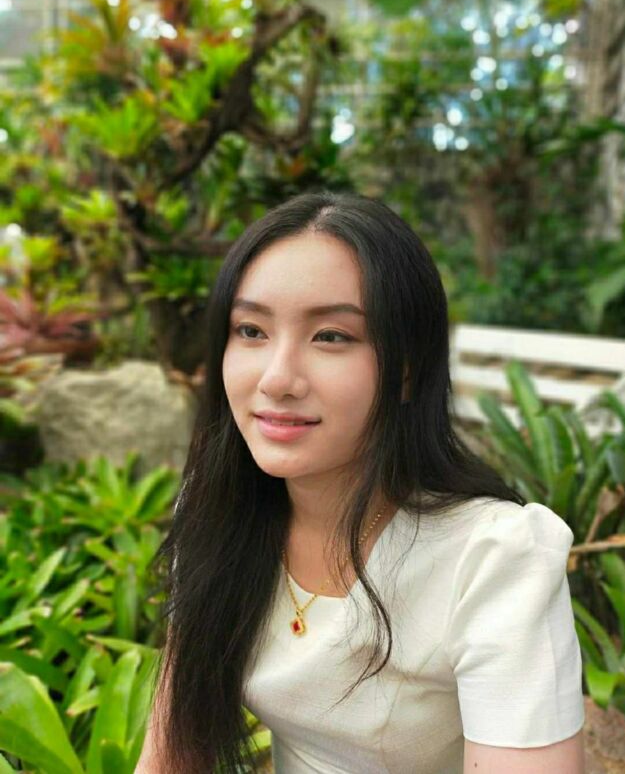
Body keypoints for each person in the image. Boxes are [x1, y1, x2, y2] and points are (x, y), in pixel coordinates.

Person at [135, 191, 585, 773]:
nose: (277, 379)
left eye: (331, 336)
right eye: (251, 330)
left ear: (407, 370)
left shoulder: (492, 558)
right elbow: (172, 752)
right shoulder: (222, 509)